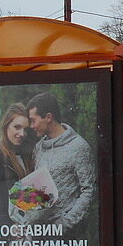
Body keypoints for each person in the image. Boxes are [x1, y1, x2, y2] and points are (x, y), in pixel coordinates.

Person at [27, 92, 95, 235]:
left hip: (66, 234)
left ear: (48, 117)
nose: (31, 126)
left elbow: (89, 191)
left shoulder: (78, 147)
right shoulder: (38, 148)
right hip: (39, 231)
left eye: (33, 120)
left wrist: (64, 224)